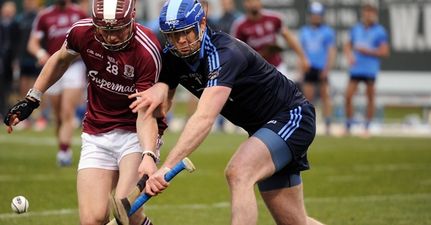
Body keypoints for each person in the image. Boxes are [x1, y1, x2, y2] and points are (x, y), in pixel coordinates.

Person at [129, 0, 323, 224]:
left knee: (239, 172)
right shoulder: (173, 57)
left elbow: (204, 118)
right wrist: (150, 153)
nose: (181, 41)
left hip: (291, 116)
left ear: (201, 23)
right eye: (173, 35)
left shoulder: (224, 52)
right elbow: (161, 111)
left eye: (186, 32)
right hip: (265, 129)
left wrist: (167, 167)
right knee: (294, 222)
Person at [3, 0, 166, 224]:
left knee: (127, 211)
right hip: (96, 131)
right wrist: (33, 98)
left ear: (132, 19)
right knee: (92, 219)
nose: (111, 37)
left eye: (117, 29)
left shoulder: (147, 50)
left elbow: (146, 113)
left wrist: (148, 154)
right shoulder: (82, 31)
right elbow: (60, 59)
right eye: (105, 30)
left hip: (134, 132)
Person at [27, 0, 87, 166]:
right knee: (58, 116)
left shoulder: (79, 13)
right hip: (53, 67)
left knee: (67, 111)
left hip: (75, 66)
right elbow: (32, 43)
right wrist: (40, 54)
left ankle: (64, 151)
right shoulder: (44, 15)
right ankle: (62, 147)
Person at [343, 2, 389, 136]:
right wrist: (349, 56)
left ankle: (367, 127)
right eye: (366, 12)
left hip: (370, 69)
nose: (368, 15)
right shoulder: (356, 29)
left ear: (375, 15)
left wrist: (367, 51)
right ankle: (349, 125)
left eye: (371, 12)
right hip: (356, 68)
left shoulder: (380, 31)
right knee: (348, 96)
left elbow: (384, 52)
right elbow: (347, 45)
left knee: (370, 97)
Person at [231, 0, 309, 78]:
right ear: (245, 4)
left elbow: (289, 37)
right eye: (250, 1)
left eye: (256, 1)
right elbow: (236, 52)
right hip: (256, 70)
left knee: (286, 88)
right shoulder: (239, 26)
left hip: (277, 66)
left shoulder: (273, 18)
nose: (253, 4)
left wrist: (302, 57)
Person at [299, 2, 336, 135]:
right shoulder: (304, 31)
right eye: (314, 15)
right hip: (309, 68)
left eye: (318, 15)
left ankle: (327, 124)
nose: (316, 17)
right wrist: (301, 69)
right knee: (308, 99)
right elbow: (301, 52)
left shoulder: (327, 32)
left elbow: (331, 51)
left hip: (321, 68)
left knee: (325, 97)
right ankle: (309, 125)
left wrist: (327, 68)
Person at [16, 0, 45, 130]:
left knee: (38, 88)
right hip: (23, 58)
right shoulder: (20, 18)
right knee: (23, 88)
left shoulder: (39, 17)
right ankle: (22, 117)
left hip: (36, 58)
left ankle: (40, 118)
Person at [0, 0, 19, 119]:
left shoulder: (16, 25)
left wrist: (15, 60)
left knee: (8, 87)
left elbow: (17, 44)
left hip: (9, 61)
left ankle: (5, 111)